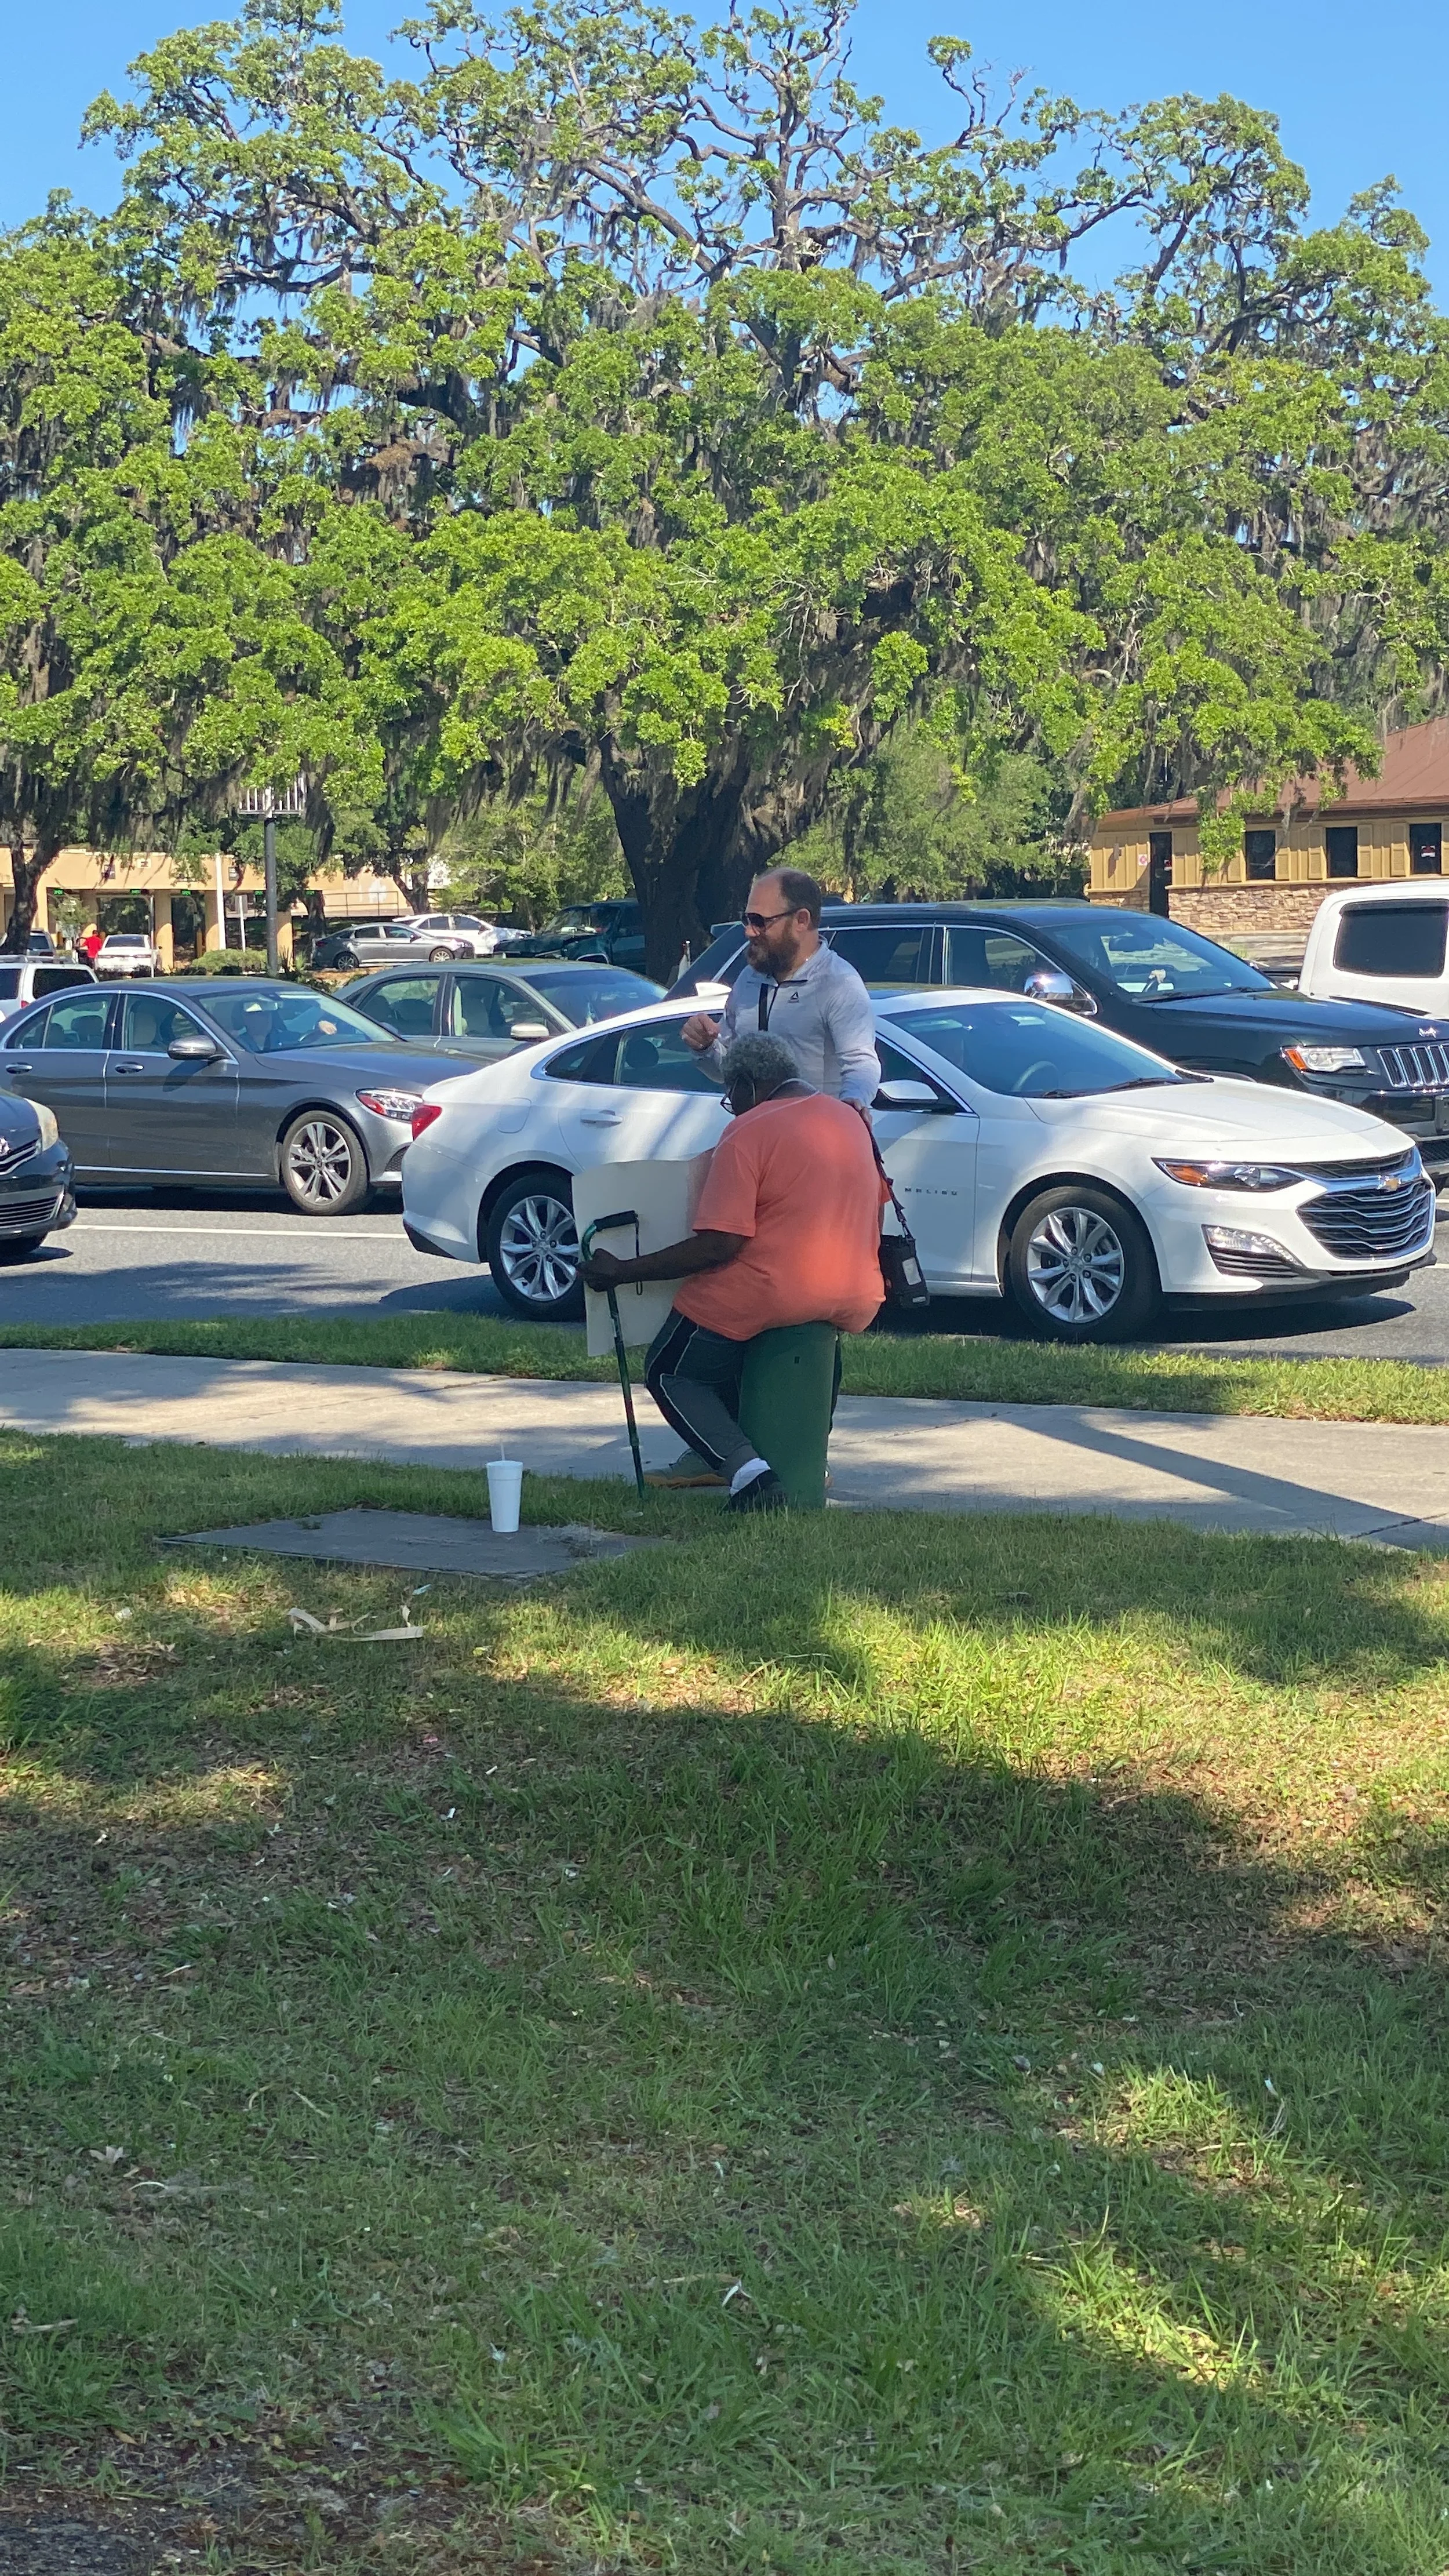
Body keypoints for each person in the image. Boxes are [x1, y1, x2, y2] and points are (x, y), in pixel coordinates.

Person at [579, 1032, 887, 1512]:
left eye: (731, 1096)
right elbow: (878, 1210)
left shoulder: (749, 1131)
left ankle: (751, 1477)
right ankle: (805, 1458)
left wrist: (624, 1271)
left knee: (670, 1370)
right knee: (756, 1357)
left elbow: (721, 1242)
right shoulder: (849, 1121)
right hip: (855, 1288)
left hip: (773, 1290)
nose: (733, 1107)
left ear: (746, 1084)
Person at [680, 867, 879, 1115]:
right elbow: (727, 1070)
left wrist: (853, 1103)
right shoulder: (749, 980)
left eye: (760, 922)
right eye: (747, 920)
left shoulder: (837, 982)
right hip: (754, 1132)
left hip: (812, 1137)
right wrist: (705, 1047)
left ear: (801, 920)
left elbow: (861, 1063)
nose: (749, 931)